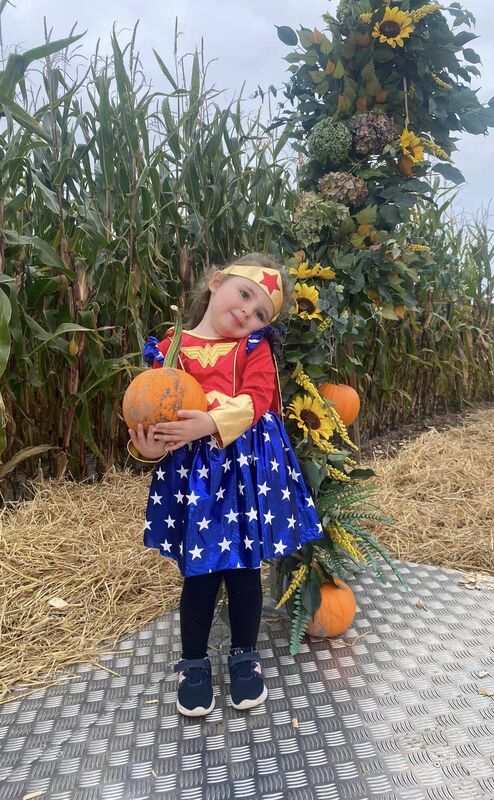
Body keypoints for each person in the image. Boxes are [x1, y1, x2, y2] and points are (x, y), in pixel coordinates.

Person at [127, 253, 324, 717]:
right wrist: (151, 450)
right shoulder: (170, 347)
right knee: (199, 577)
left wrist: (209, 422)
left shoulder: (254, 350)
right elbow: (153, 411)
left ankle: (244, 657)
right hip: (192, 482)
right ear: (216, 283)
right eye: (244, 295)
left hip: (243, 477)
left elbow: (257, 401)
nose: (247, 313)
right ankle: (193, 663)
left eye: (260, 313)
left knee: (242, 573)